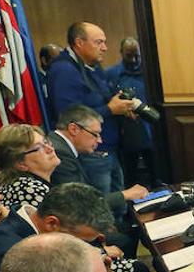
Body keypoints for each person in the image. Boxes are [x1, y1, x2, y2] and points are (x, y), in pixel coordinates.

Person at [0, 181, 149, 272]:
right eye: (79, 241)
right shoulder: (14, 252)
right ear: (52, 223)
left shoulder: (33, 226)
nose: (84, 246)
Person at [46, 22, 137, 195]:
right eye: (99, 42)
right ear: (79, 43)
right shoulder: (64, 70)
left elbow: (100, 100)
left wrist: (122, 107)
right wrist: (110, 109)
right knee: (101, 207)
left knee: (120, 206)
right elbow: (68, 117)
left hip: (107, 148)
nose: (104, 47)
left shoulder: (92, 67)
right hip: (90, 153)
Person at [48, 103, 146, 249]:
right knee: (124, 239)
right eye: (95, 134)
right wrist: (126, 195)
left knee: (127, 228)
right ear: (74, 129)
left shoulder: (63, 147)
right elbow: (78, 202)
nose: (99, 140)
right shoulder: (59, 153)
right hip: (66, 229)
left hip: (72, 218)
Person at [105, 37, 159, 186]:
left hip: (151, 127)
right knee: (129, 173)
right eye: (129, 56)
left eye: (137, 55)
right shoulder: (111, 74)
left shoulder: (151, 72)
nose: (134, 60)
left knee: (157, 172)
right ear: (121, 53)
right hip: (125, 129)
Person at [0, 124, 58, 212]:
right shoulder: (32, 190)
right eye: (38, 148)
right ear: (20, 163)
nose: (50, 149)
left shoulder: (15, 185)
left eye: (45, 142)